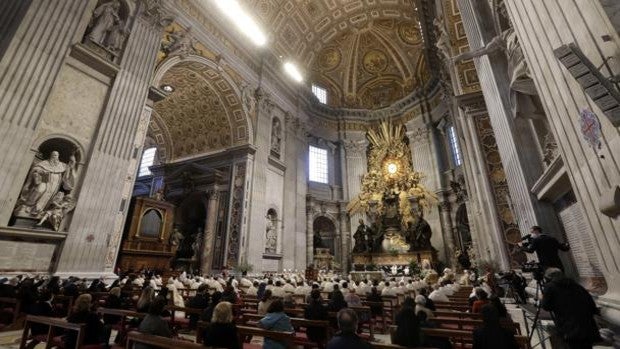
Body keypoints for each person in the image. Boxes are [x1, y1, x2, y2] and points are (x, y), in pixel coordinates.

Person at [541, 268, 600, 349]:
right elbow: (590, 303)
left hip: (568, 327)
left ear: (548, 278)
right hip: (586, 325)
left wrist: (543, 298)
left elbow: (546, 306)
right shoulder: (576, 285)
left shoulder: (550, 287)